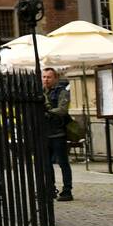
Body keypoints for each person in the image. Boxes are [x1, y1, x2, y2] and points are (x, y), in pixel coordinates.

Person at [42, 67, 73, 202]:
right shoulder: (41, 93)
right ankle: (50, 189)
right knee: (46, 164)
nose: (46, 80)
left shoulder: (62, 92)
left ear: (55, 78)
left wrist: (48, 112)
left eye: (48, 77)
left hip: (58, 133)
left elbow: (62, 110)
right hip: (44, 133)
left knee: (63, 163)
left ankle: (67, 190)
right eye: (44, 77)